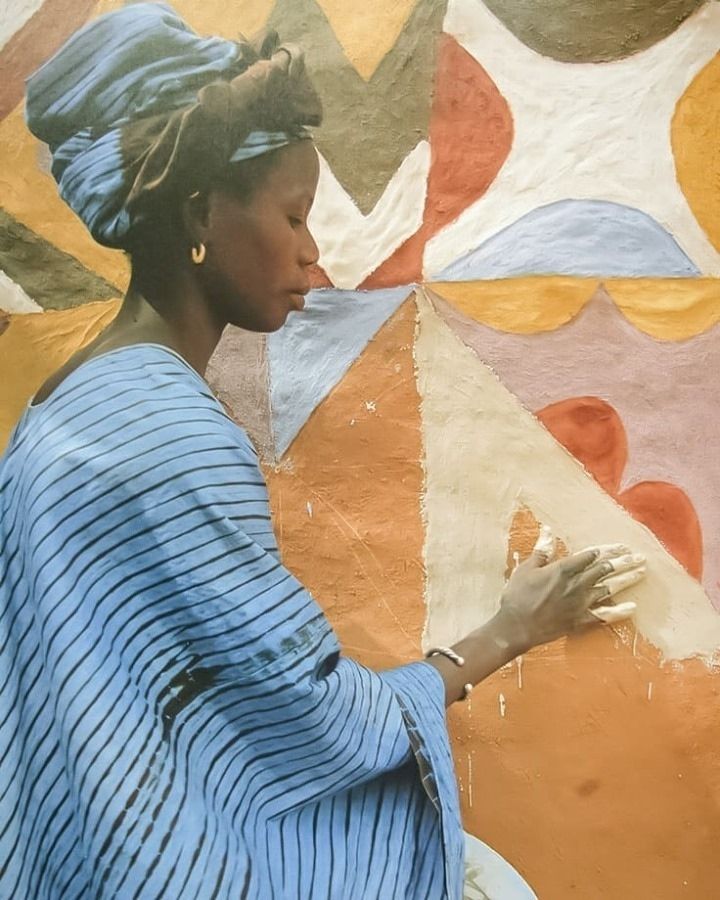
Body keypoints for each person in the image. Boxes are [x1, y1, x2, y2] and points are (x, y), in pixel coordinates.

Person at [0, 4, 646, 898]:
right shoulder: (175, 436)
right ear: (198, 211)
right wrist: (512, 629)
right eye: (294, 214)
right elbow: (316, 719)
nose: (312, 254)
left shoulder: (63, 403)